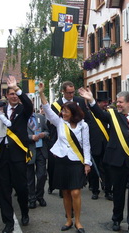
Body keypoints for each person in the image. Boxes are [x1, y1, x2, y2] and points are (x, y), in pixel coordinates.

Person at [79, 88, 129, 233]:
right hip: (117, 162)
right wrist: (91, 100)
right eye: (117, 102)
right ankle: (116, 219)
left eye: (120, 102)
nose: (117, 104)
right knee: (118, 193)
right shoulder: (113, 115)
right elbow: (99, 114)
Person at [39, 82, 91, 233]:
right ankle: (68, 219)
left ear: (74, 112)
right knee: (66, 193)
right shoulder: (60, 122)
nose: (63, 113)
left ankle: (78, 222)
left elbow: (86, 145)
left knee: (76, 192)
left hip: (76, 161)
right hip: (61, 161)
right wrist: (42, 93)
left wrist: (87, 163)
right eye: (62, 111)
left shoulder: (83, 125)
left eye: (66, 111)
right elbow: (48, 110)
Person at [0, 76, 33, 233]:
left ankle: (24, 212)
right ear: (6, 96)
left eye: (15, 94)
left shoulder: (24, 110)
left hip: (18, 157)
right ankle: (8, 222)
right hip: (1, 156)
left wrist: (17, 88)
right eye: (11, 94)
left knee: (22, 189)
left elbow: (28, 103)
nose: (14, 96)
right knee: (3, 191)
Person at [47, 81, 90, 195]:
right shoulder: (56, 105)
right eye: (69, 93)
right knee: (54, 165)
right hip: (60, 138)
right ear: (63, 92)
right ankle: (54, 186)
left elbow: (86, 117)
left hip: (76, 138)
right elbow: (52, 124)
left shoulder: (79, 101)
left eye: (72, 92)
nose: (71, 95)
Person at [89, 90, 113, 201]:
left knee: (108, 170)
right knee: (94, 171)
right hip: (94, 146)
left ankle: (108, 190)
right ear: (97, 103)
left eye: (106, 102)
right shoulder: (90, 115)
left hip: (108, 147)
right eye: (103, 102)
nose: (105, 104)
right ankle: (95, 190)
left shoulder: (110, 114)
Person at [26, 110, 50, 209]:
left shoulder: (40, 117)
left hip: (41, 150)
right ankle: (31, 198)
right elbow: (18, 135)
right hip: (29, 151)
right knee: (29, 177)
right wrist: (31, 137)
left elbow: (47, 131)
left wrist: (43, 134)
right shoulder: (22, 118)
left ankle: (39, 196)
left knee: (42, 175)